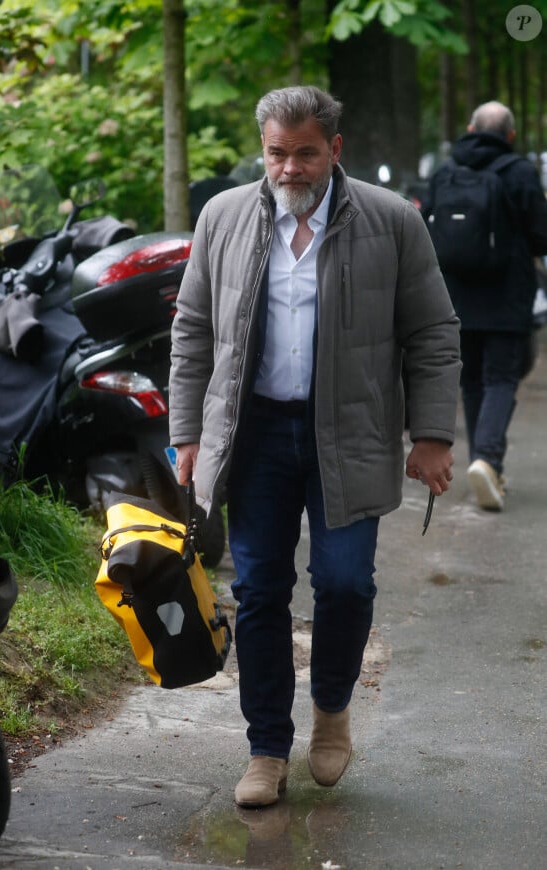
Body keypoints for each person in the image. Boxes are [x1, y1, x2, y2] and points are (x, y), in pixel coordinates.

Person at [169, 86, 461, 808]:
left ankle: (331, 713)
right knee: (261, 590)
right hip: (256, 433)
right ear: (262, 149)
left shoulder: (391, 222)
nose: (289, 168)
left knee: (344, 583)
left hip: (352, 431)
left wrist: (430, 436)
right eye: (277, 153)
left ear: (335, 149)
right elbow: (193, 329)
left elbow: (432, 331)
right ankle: (266, 746)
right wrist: (187, 434)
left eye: (305, 153)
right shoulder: (225, 217)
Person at [422, 101, 547, 511]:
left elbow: (427, 232)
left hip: (454, 295)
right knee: (501, 378)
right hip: (507, 296)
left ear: (471, 127)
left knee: (472, 380)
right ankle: (488, 461)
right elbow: (540, 234)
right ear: (509, 135)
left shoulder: (445, 172)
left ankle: (485, 461)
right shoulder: (521, 173)